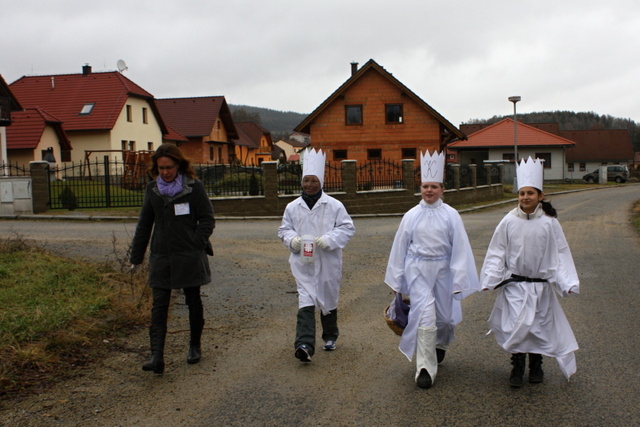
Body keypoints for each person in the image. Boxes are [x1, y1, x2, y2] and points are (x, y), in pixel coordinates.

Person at [481, 157, 579, 387]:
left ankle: (536, 364)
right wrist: (490, 278)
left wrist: (567, 282)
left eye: (530, 193)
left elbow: (560, 253)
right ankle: (517, 366)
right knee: (517, 326)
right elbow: (497, 250)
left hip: (540, 286)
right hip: (516, 285)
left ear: (540, 196)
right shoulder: (508, 221)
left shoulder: (549, 223)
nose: (525, 197)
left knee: (537, 327)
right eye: (522, 193)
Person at [385, 151, 479, 389]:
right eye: (425, 186)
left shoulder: (451, 215)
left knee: (445, 318)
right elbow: (400, 247)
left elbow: (460, 248)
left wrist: (459, 278)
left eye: (434, 187)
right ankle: (425, 368)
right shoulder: (411, 216)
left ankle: (440, 344)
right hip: (417, 271)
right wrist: (397, 279)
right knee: (424, 316)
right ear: (420, 188)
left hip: (443, 271)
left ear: (442, 189)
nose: (429, 190)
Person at [130, 143, 215, 374]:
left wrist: (196, 241)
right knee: (159, 305)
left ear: (178, 165)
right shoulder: (152, 189)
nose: (165, 172)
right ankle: (156, 356)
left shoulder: (193, 187)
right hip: (162, 255)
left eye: (169, 167)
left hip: (189, 254)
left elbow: (207, 218)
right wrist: (136, 256)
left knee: (193, 300)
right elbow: (144, 224)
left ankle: (195, 346)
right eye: (161, 168)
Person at [278, 148, 355, 363]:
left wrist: (329, 239)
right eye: (306, 181)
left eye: (313, 181)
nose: (309, 185)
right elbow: (284, 229)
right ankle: (304, 344)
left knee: (328, 298)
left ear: (321, 182)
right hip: (303, 263)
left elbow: (347, 228)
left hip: (327, 261)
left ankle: (330, 335)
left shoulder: (334, 205)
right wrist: (292, 240)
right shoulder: (292, 207)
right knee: (306, 299)